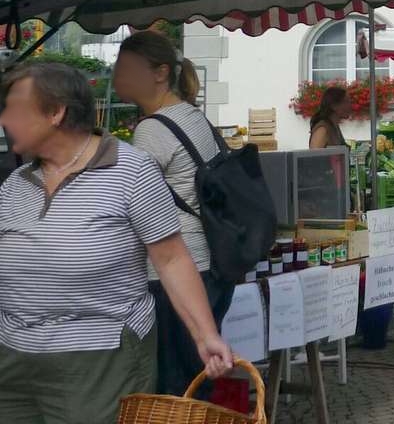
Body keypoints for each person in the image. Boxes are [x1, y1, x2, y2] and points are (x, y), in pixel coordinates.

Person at [0, 63, 232, 424]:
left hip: (99, 357)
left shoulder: (132, 171)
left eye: (15, 108)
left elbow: (172, 260)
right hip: (14, 355)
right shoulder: (16, 183)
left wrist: (205, 335)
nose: (5, 119)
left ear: (55, 113)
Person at [114, 30, 236, 397]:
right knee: (197, 376)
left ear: (160, 72)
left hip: (174, 272)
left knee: (175, 383)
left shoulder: (153, 129)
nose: (119, 79)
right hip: (210, 262)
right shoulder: (191, 116)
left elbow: (131, 204)